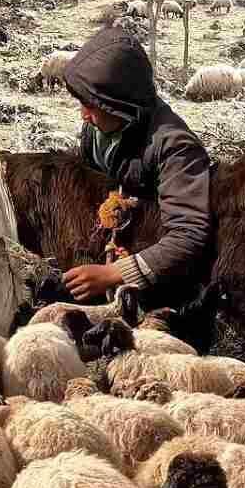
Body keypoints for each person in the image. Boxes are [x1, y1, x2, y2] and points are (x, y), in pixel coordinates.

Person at [58, 26, 213, 304]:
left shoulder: (175, 148)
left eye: (91, 105)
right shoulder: (102, 127)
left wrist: (114, 274)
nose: (83, 115)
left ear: (119, 103)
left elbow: (188, 235)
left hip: (156, 280)